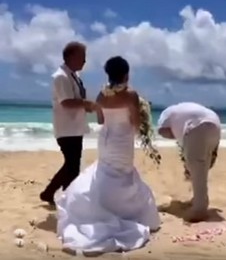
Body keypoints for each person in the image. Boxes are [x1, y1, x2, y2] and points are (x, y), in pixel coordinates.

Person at [55, 56, 160, 254]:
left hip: (106, 140)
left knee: (105, 171)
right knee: (122, 173)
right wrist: (143, 122)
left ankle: (102, 205)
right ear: (126, 74)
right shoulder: (131, 95)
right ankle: (122, 211)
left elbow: (101, 120)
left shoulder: (102, 95)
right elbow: (136, 123)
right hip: (122, 141)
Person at [40, 41, 96, 205]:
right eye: (82, 57)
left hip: (75, 127)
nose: (85, 61)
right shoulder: (61, 76)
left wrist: (86, 105)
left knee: (72, 165)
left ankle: (60, 194)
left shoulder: (74, 76)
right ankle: (54, 194)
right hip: (66, 128)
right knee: (71, 165)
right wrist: (86, 104)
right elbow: (66, 102)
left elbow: (76, 99)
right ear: (71, 57)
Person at [157, 102, 221, 222]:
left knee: (196, 166)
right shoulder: (181, 110)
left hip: (197, 126)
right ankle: (197, 199)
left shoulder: (166, 114)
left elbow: (162, 131)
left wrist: (181, 140)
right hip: (215, 124)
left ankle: (200, 208)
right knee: (203, 164)